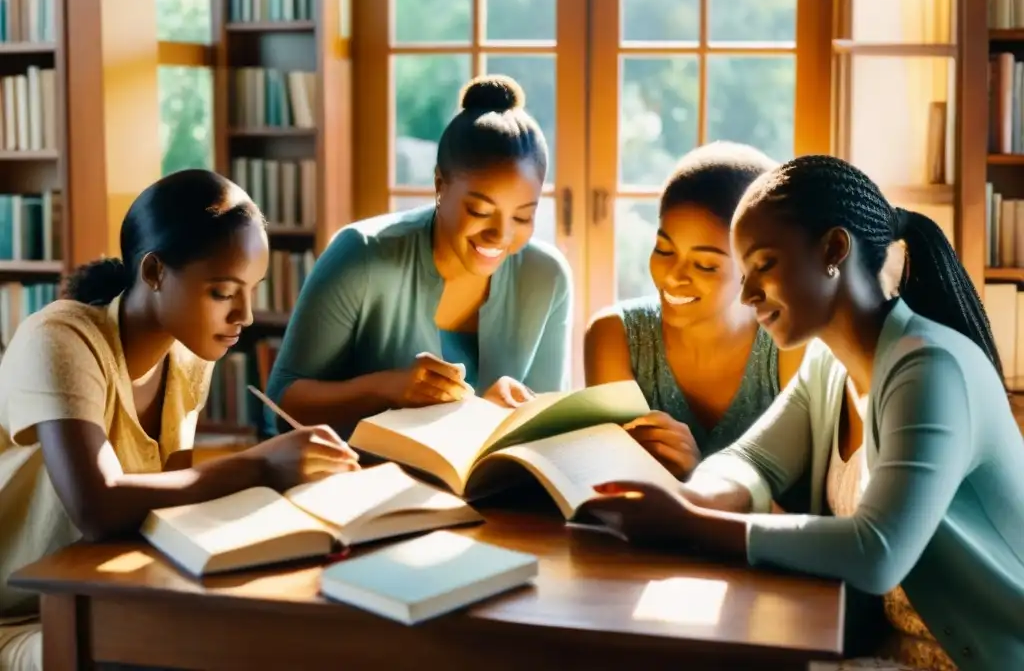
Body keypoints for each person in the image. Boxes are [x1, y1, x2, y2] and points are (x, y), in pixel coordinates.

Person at [582, 155, 1024, 671]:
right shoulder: (829, 363)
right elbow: (754, 461)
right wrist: (690, 498)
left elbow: (876, 553)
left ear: (834, 249)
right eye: (743, 272)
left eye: (763, 265)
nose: (747, 295)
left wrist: (691, 525)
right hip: (887, 649)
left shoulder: (928, 369)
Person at [0, 170, 359, 671]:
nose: (245, 316)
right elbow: (98, 507)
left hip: (100, 590)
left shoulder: (189, 360)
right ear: (153, 272)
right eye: (222, 292)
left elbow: (172, 507)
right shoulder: (60, 338)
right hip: (24, 613)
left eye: (251, 290)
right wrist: (260, 467)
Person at [266, 74, 572, 436]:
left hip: (489, 485)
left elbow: (549, 426)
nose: (500, 235)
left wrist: (507, 413)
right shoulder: (362, 255)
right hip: (363, 478)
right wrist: (388, 388)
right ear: (440, 186)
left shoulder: (546, 276)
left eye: (523, 216)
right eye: (479, 211)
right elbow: (282, 402)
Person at [584, 142, 805, 480]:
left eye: (704, 265)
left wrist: (698, 475)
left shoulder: (790, 346)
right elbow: (614, 484)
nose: (673, 276)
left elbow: (805, 499)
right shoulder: (614, 336)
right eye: (664, 249)